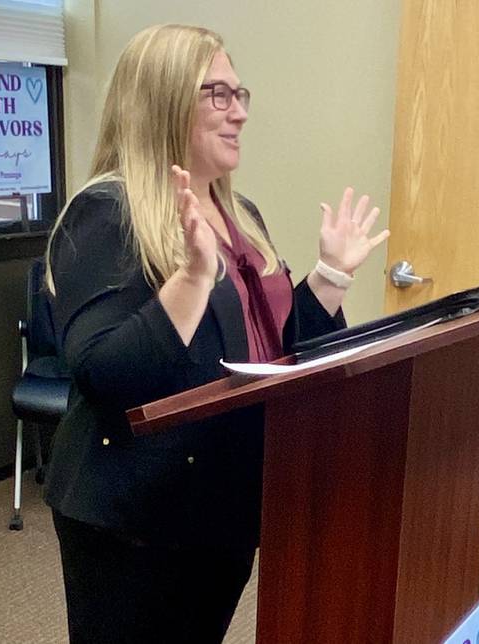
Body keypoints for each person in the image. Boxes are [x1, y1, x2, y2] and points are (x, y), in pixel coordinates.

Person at [42, 23, 389, 643]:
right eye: (218, 96)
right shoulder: (107, 212)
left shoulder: (240, 213)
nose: (239, 114)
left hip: (223, 497)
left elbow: (273, 350)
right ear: (166, 100)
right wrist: (193, 278)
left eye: (241, 95)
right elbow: (103, 375)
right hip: (136, 513)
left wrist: (330, 278)